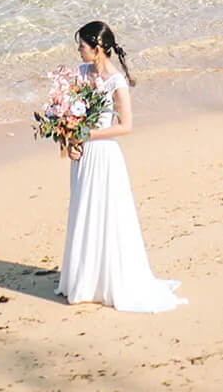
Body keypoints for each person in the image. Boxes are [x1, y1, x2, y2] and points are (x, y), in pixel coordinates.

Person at [57, 19, 186, 312]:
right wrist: (69, 140)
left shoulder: (116, 81)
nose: (78, 50)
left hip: (103, 156)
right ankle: (84, 280)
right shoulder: (80, 73)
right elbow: (69, 112)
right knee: (82, 212)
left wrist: (87, 134)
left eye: (82, 45)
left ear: (98, 48)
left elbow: (125, 126)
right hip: (82, 156)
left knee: (104, 214)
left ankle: (106, 281)